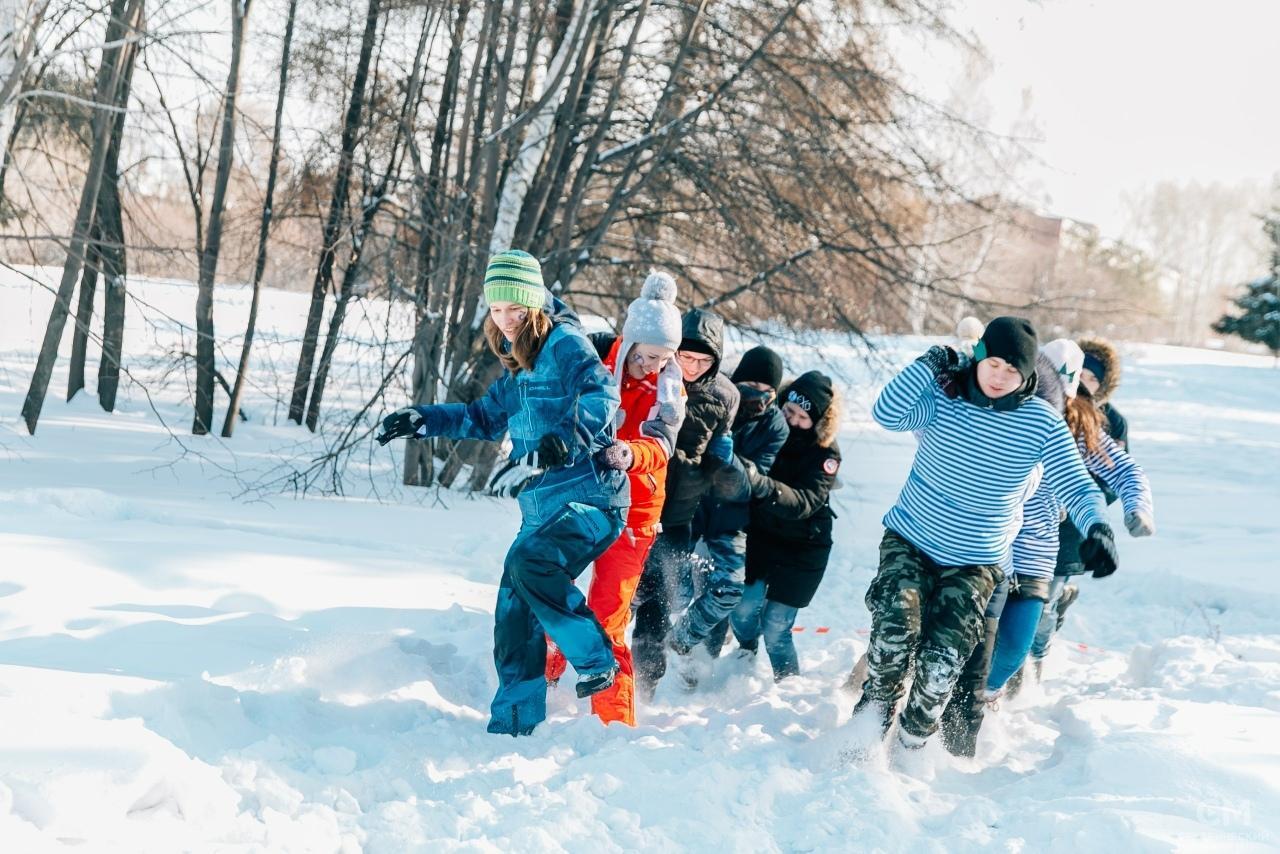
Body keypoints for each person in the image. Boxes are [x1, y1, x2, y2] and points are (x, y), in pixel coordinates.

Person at [375, 249, 629, 736]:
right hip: (546, 507)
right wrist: (423, 418)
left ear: (534, 305)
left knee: (528, 563)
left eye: (516, 309)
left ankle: (595, 657)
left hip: (592, 498)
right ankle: (515, 724)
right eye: (497, 309)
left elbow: (602, 394)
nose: (506, 319)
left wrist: (567, 437)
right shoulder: (518, 367)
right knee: (513, 615)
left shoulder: (566, 344)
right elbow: (481, 418)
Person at [849, 317, 1117, 756]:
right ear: (978, 358)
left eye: (1012, 371)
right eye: (993, 363)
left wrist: (1098, 527)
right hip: (911, 540)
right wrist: (929, 362)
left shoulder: (1040, 424)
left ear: (1027, 375)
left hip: (976, 562)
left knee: (943, 662)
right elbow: (886, 413)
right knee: (896, 631)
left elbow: (1076, 482)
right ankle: (867, 728)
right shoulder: (943, 397)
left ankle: (912, 745)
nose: (999, 377)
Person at [938, 339, 1155, 756]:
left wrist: (1135, 511)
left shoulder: (1078, 429)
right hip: (988, 553)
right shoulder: (1001, 410)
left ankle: (985, 697)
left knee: (1014, 648)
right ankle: (946, 718)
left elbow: (1124, 471)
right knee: (966, 643)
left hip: (1039, 555)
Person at [544, 272, 686, 726]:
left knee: (608, 616)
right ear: (628, 342)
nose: (653, 366)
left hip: (637, 511)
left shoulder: (670, 388)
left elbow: (663, 443)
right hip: (582, 500)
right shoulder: (595, 365)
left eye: (664, 358)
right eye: (646, 356)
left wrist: (631, 453)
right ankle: (542, 681)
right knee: (554, 596)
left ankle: (613, 722)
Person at [631, 308, 738, 699]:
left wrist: (717, 468)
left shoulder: (726, 395)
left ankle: (645, 686)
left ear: (715, 360)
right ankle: (597, 672)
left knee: (658, 604)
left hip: (678, 516)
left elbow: (721, 446)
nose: (691, 366)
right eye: (685, 357)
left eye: (702, 360)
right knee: (619, 593)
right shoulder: (653, 378)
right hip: (635, 504)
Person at [1018, 336, 1136, 687]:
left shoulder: (1110, 422)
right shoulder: (1039, 402)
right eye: (1080, 373)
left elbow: (1115, 479)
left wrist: (1080, 499)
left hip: (1072, 532)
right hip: (1025, 521)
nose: (1084, 381)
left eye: (1094, 378)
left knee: (1043, 605)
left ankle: (1033, 668)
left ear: (1104, 385)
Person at [671, 346, 790, 679]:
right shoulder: (719, 398)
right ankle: (669, 660)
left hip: (731, 515)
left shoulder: (775, 425)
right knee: (675, 588)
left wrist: (731, 460)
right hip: (689, 506)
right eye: (751, 383)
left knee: (728, 590)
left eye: (767, 389)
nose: (758, 393)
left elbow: (754, 481)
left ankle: (683, 643)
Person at [728, 370, 842, 680]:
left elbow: (806, 501)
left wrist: (764, 485)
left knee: (776, 624)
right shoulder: (766, 430)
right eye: (788, 411)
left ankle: (787, 683)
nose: (792, 422)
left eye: (803, 418)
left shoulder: (827, 455)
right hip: (762, 536)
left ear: (817, 423)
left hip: (803, 545)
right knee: (742, 608)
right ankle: (746, 649)